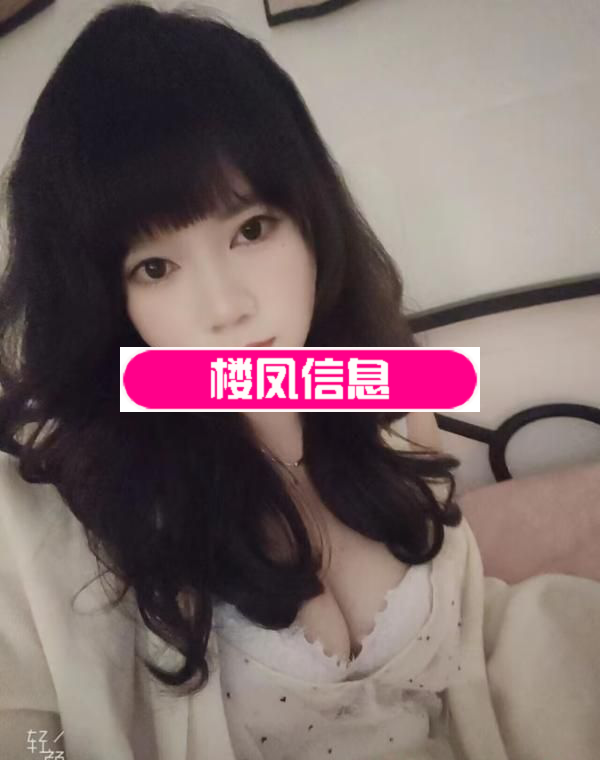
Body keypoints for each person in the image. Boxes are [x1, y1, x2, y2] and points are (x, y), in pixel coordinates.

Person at [1, 4, 599, 760]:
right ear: (107, 301)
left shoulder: (394, 395)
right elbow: (28, 730)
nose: (226, 307)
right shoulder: (68, 511)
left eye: (251, 229)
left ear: (310, 216)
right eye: (155, 267)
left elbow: (463, 649)